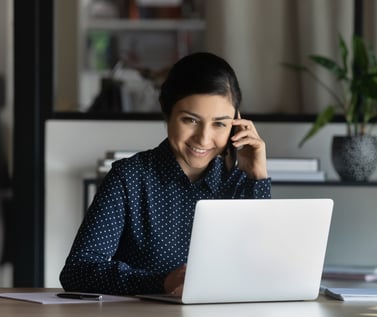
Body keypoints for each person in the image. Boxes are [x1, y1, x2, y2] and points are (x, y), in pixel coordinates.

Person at [59, 52, 271, 296]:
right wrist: (161, 283)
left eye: (219, 124)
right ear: (167, 112)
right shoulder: (129, 178)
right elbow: (77, 270)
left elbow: (262, 271)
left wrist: (258, 177)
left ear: (236, 122)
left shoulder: (242, 182)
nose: (203, 138)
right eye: (190, 120)